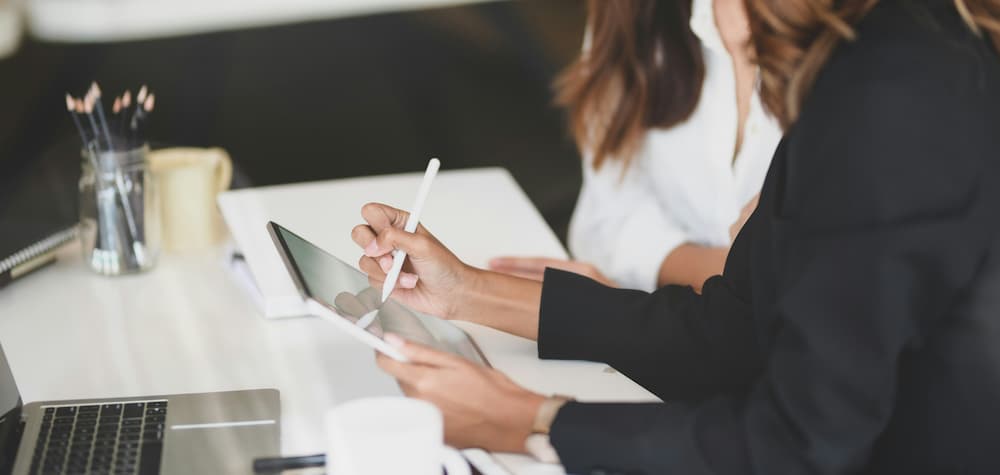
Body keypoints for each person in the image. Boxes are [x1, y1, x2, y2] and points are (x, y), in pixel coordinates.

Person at [352, 0, 1000, 472]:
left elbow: (800, 443)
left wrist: (529, 421)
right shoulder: (862, 51)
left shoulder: (895, 87)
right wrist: (468, 292)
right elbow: (734, 327)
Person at [489, 0, 782, 292]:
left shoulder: (821, 41)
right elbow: (610, 219)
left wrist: (644, 311)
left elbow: (807, 274)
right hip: (676, 322)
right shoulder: (632, 12)